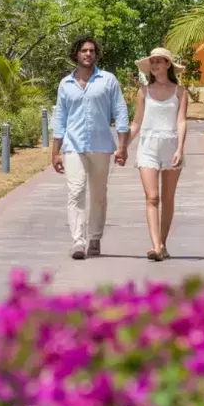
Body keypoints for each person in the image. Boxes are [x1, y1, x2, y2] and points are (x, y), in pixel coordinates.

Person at [51, 36, 131, 260]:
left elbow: (120, 112)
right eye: (84, 50)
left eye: (92, 51)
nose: (88, 54)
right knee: (75, 191)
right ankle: (78, 241)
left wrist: (122, 146)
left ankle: (94, 237)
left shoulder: (108, 80)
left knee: (98, 194)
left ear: (96, 54)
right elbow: (60, 119)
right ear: (76, 54)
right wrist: (55, 152)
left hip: (101, 146)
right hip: (73, 146)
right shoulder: (65, 84)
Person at [129, 47, 189, 261]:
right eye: (152, 62)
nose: (154, 65)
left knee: (168, 198)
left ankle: (162, 244)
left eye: (159, 61)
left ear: (167, 65)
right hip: (148, 147)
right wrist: (122, 146)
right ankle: (155, 246)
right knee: (152, 197)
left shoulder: (180, 92)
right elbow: (136, 124)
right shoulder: (143, 92)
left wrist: (180, 149)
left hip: (171, 146)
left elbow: (182, 121)